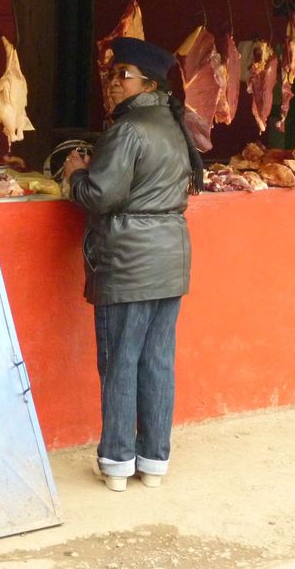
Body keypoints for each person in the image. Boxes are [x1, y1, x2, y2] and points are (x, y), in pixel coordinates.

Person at [61, 36, 204, 493]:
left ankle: (119, 461)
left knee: (122, 360)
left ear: (147, 83)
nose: (113, 83)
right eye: (112, 74)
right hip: (169, 255)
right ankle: (154, 461)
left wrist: (74, 175)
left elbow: (100, 197)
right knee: (157, 361)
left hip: (128, 259)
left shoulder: (128, 129)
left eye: (122, 75)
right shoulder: (169, 123)